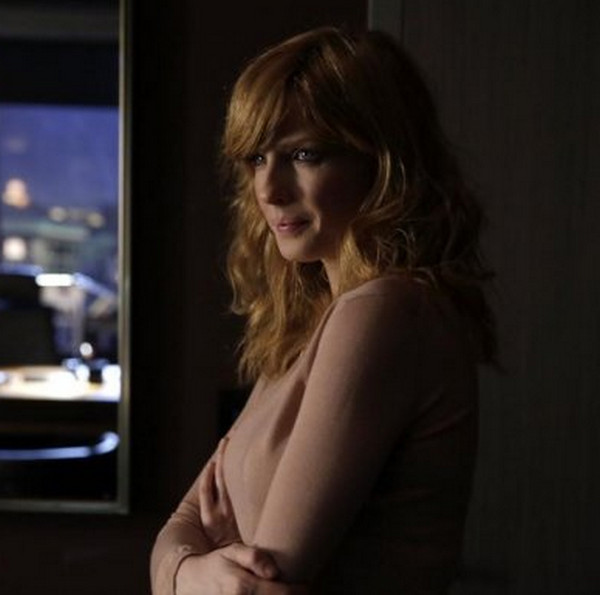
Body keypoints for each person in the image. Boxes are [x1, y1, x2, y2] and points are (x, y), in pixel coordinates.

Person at [151, 26, 496, 595]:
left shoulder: (382, 312)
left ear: (380, 160)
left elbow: (261, 583)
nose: (269, 188)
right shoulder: (311, 325)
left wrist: (192, 565)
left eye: (303, 154)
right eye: (257, 158)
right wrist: (188, 569)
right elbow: (180, 525)